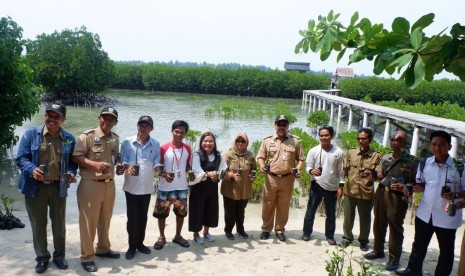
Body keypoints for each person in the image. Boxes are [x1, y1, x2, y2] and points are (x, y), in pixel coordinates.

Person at [16, 103, 77, 274]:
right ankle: (42, 258)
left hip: (59, 187)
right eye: (48, 115)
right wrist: (31, 169)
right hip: (35, 187)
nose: (51, 119)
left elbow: (73, 162)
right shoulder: (30, 135)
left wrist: (72, 172)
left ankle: (59, 256)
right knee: (38, 225)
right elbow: (21, 158)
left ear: (63, 120)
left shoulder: (69, 139)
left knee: (59, 225)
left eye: (56, 116)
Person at [397, 130, 465, 276]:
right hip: (425, 213)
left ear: (449, 147)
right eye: (434, 144)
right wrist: (412, 189)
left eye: (441, 145)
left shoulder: (460, 168)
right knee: (419, 245)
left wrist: (455, 195)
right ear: (429, 145)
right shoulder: (424, 163)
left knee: (446, 251)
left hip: (447, 217)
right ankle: (413, 271)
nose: (437, 148)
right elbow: (422, 185)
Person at [72, 107, 120, 272]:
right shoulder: (87, 136)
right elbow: (76, 156)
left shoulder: (115, 138)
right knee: (88, 223)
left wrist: (121, 166)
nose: (107, 121)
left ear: (116, 122)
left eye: (111, 119)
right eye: (104, 118)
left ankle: (103, 248)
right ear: (99, 118)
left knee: (105, 219)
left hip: (110, 183)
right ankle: (87, 257)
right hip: (91, 183)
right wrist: (95, 164)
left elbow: (116, 158)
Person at [364, 131, 419, 271]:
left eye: (399, 140)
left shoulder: (412, 161)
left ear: (405, 143)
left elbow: (417, 183)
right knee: (378, 223)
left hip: (398, 197)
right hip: (382, 192)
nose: (395, 142)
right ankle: (378, 250)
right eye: (392, 139)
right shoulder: (386, 157)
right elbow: (381, 174)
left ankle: (394, 258)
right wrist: (372, 176)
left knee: (395, 227)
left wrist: (405, 187)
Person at [256, 115, 304, 242]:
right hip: (270, 178)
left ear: (288, 126)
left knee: (283, 206)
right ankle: (266, 229)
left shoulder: (295, 141)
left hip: (287, 179)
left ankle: (280, 230)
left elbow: (300, 159)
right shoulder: (267, 141)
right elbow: (260, 157)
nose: (282, 127)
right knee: (268, 204)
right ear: (275, 125)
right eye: (279, 124)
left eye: (284, 124)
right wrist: (261, 166)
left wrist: (298, 169)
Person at [120, 116, 160, 259]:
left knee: (143, 216)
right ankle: (131, 246)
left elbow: (156, 162)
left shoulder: (155, 144)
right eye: (141, 125)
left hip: (147, 187)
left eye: (147, 126)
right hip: (131, 186)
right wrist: (127, 166)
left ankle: (140, 244)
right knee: (132, 218)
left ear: (152, 128)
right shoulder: (127, 142)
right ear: (137, 126)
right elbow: (122, 161)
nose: (143, 128)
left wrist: (159, 169)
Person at [341, 127, 382, 251]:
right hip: (350, 191)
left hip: (366, 192)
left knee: (365, 219)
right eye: (359, 138)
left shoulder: (377, 156)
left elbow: (380, 175)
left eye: (364, 139)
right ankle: (347, 237)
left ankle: (363, 240)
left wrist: (371, 174)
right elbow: (345, 169)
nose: (361, 141)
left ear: (370, 140)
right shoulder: (351, 152)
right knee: (348, 217)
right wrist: (343, 173)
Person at [302, 125, 344, 245]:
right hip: (316, 184)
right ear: (318, 136)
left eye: (326, 135)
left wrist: (341, 186)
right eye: (321, 135)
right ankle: (306, 233)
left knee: (331, 213)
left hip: (332, 186)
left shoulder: (338, 152)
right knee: (310, 211)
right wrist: (311, 171)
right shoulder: (313, 150)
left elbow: (341, 171)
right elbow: (308, 166)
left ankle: (330, 236)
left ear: (331, 136)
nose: (323, 137)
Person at [153, 120, 192, 250]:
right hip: (165, 188)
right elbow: (157, 167)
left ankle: (177, 236)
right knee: (161, 214)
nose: (179, 134)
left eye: (182, 132)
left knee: (180, 214)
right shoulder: (164, 148)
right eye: (176, 131)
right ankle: (162, 237)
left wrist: (190, 172)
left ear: (185, 134)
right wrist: (164, 174)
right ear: (172, 131)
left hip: (181, 187)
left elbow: (187, 165)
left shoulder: (187, 148)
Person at [189, 132, 226, 244]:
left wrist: (218, 174)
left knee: (210, 210)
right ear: (201, 143)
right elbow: (196, 170)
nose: (208, 143)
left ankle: (206, 232)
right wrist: (207, 174)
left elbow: (223, 169)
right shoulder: (196, 155)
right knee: (197, 211)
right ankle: (196, 234)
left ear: (214, 143)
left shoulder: (218, 156)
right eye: (205, 141)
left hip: (212, 189)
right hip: (198, 188)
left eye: (210, 141)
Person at [221, 133, 256, 240]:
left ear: (247, 143)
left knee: (241, 211)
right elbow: (221, 172)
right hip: (229, 189)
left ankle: (240, 230)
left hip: (245, 189)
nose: (240, 143)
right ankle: (228, 230)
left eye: (243, 141)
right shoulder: (228, 154)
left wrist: (252, 176)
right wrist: (231, 175)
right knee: (229, 211)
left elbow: (254, 170)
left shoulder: (251, 155)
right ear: (234, 142)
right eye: (238, 141)